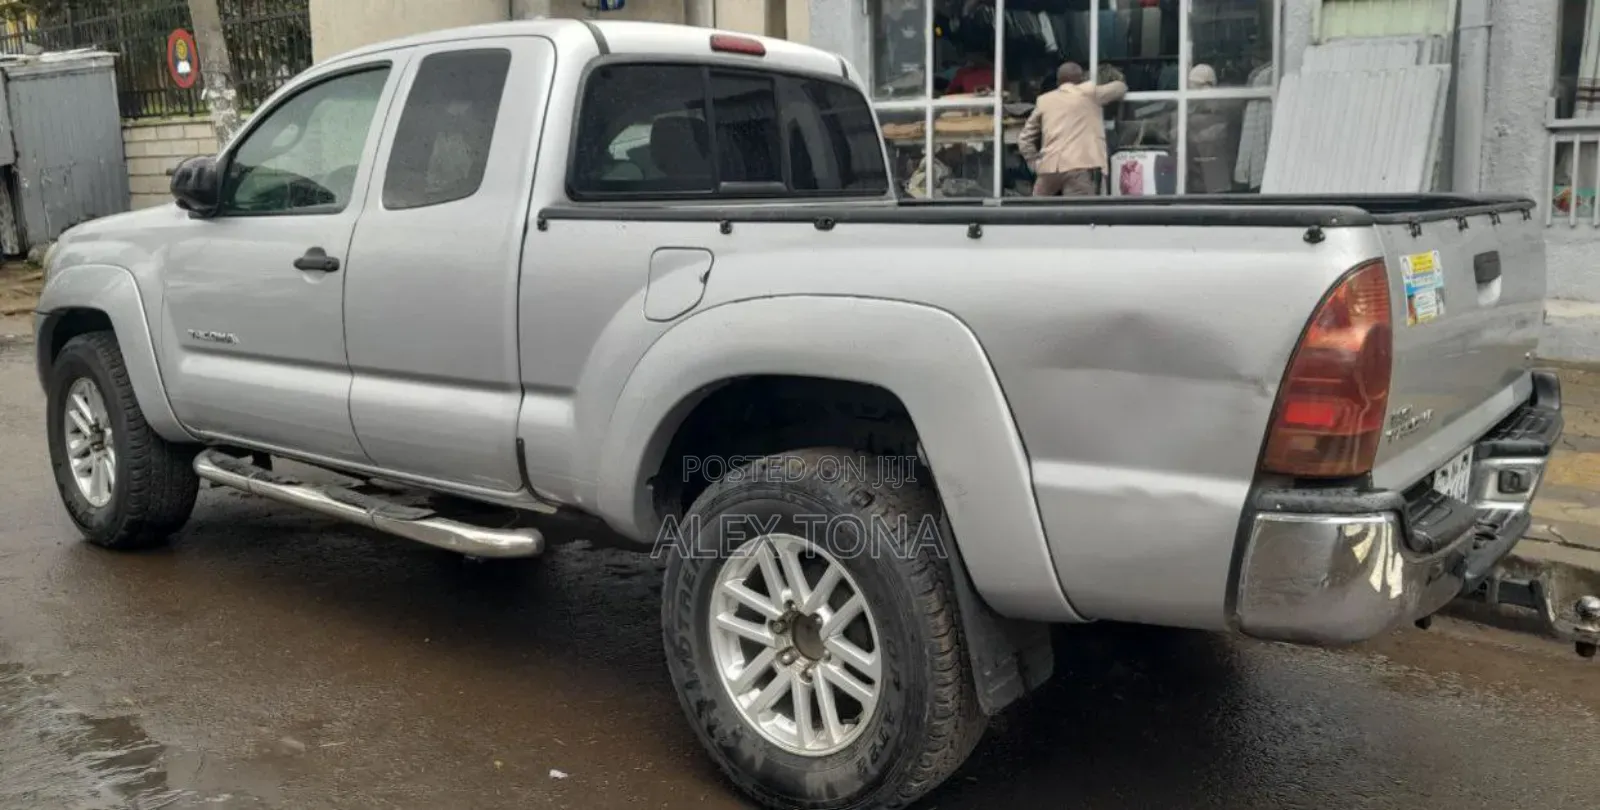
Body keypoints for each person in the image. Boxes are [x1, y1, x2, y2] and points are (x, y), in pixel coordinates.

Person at [1018, 62, 1127, 196]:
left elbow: (1024, 138)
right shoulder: (1090, 93)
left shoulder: (1044, 100)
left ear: (1058, 82)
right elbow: (1120, 88)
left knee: (1038, 208)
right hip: (1079, 167)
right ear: (1081, 80)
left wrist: (1034, 164)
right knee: (1077, 208)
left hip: (1049, 168)